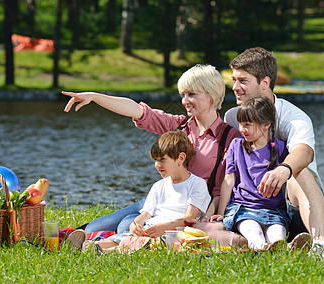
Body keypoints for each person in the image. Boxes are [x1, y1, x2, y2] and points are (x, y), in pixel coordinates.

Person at [62, 64, 245, 244]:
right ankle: (87, 238)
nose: (185, 101)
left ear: (211, 96)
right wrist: (94, 97)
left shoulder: (229, 137)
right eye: (183, 95)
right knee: (94, 227)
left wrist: (211, 216)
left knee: (126, 225)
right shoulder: (179, 127)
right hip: (158, 200)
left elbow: (220, 188)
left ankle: (104, 242)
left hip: (187, 207)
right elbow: (138, 111)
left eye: (191, 94)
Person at [223, 47, 324, 258]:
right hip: (254, 209)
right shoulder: (233, 117)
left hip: (300, 210)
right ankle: (275, 244)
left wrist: (284, 169)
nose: (235, 87)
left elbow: (304, 152)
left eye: (243, 81)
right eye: (234, 80)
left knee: (299, 171)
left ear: (265, 82)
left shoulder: (294, 117)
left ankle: (320, 245)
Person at [68, 130, 211, 253]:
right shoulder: (159, 186)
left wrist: (164, 227)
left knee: (151, 244)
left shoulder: (197, 184)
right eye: (155, 160)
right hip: (151, 229)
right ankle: (89, 246)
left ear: (180, 158)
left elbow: (190, 219)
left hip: (174, 233)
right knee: (122, 238)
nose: (157, 165)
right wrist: (135, 225)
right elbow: (144, 215)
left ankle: (102, 251)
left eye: (162, 160)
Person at [210, 96, 291, 250]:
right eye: (240, 124)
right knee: (252, 231)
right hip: (244, 210)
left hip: (274, 212)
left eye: (247, 125)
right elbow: (228, 181)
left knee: (277, 233)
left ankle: (282, 247)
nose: (242, 129)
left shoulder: (280, 148)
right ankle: (260, 248)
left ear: (266, 124)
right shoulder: (236, 145)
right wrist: (221, 212)